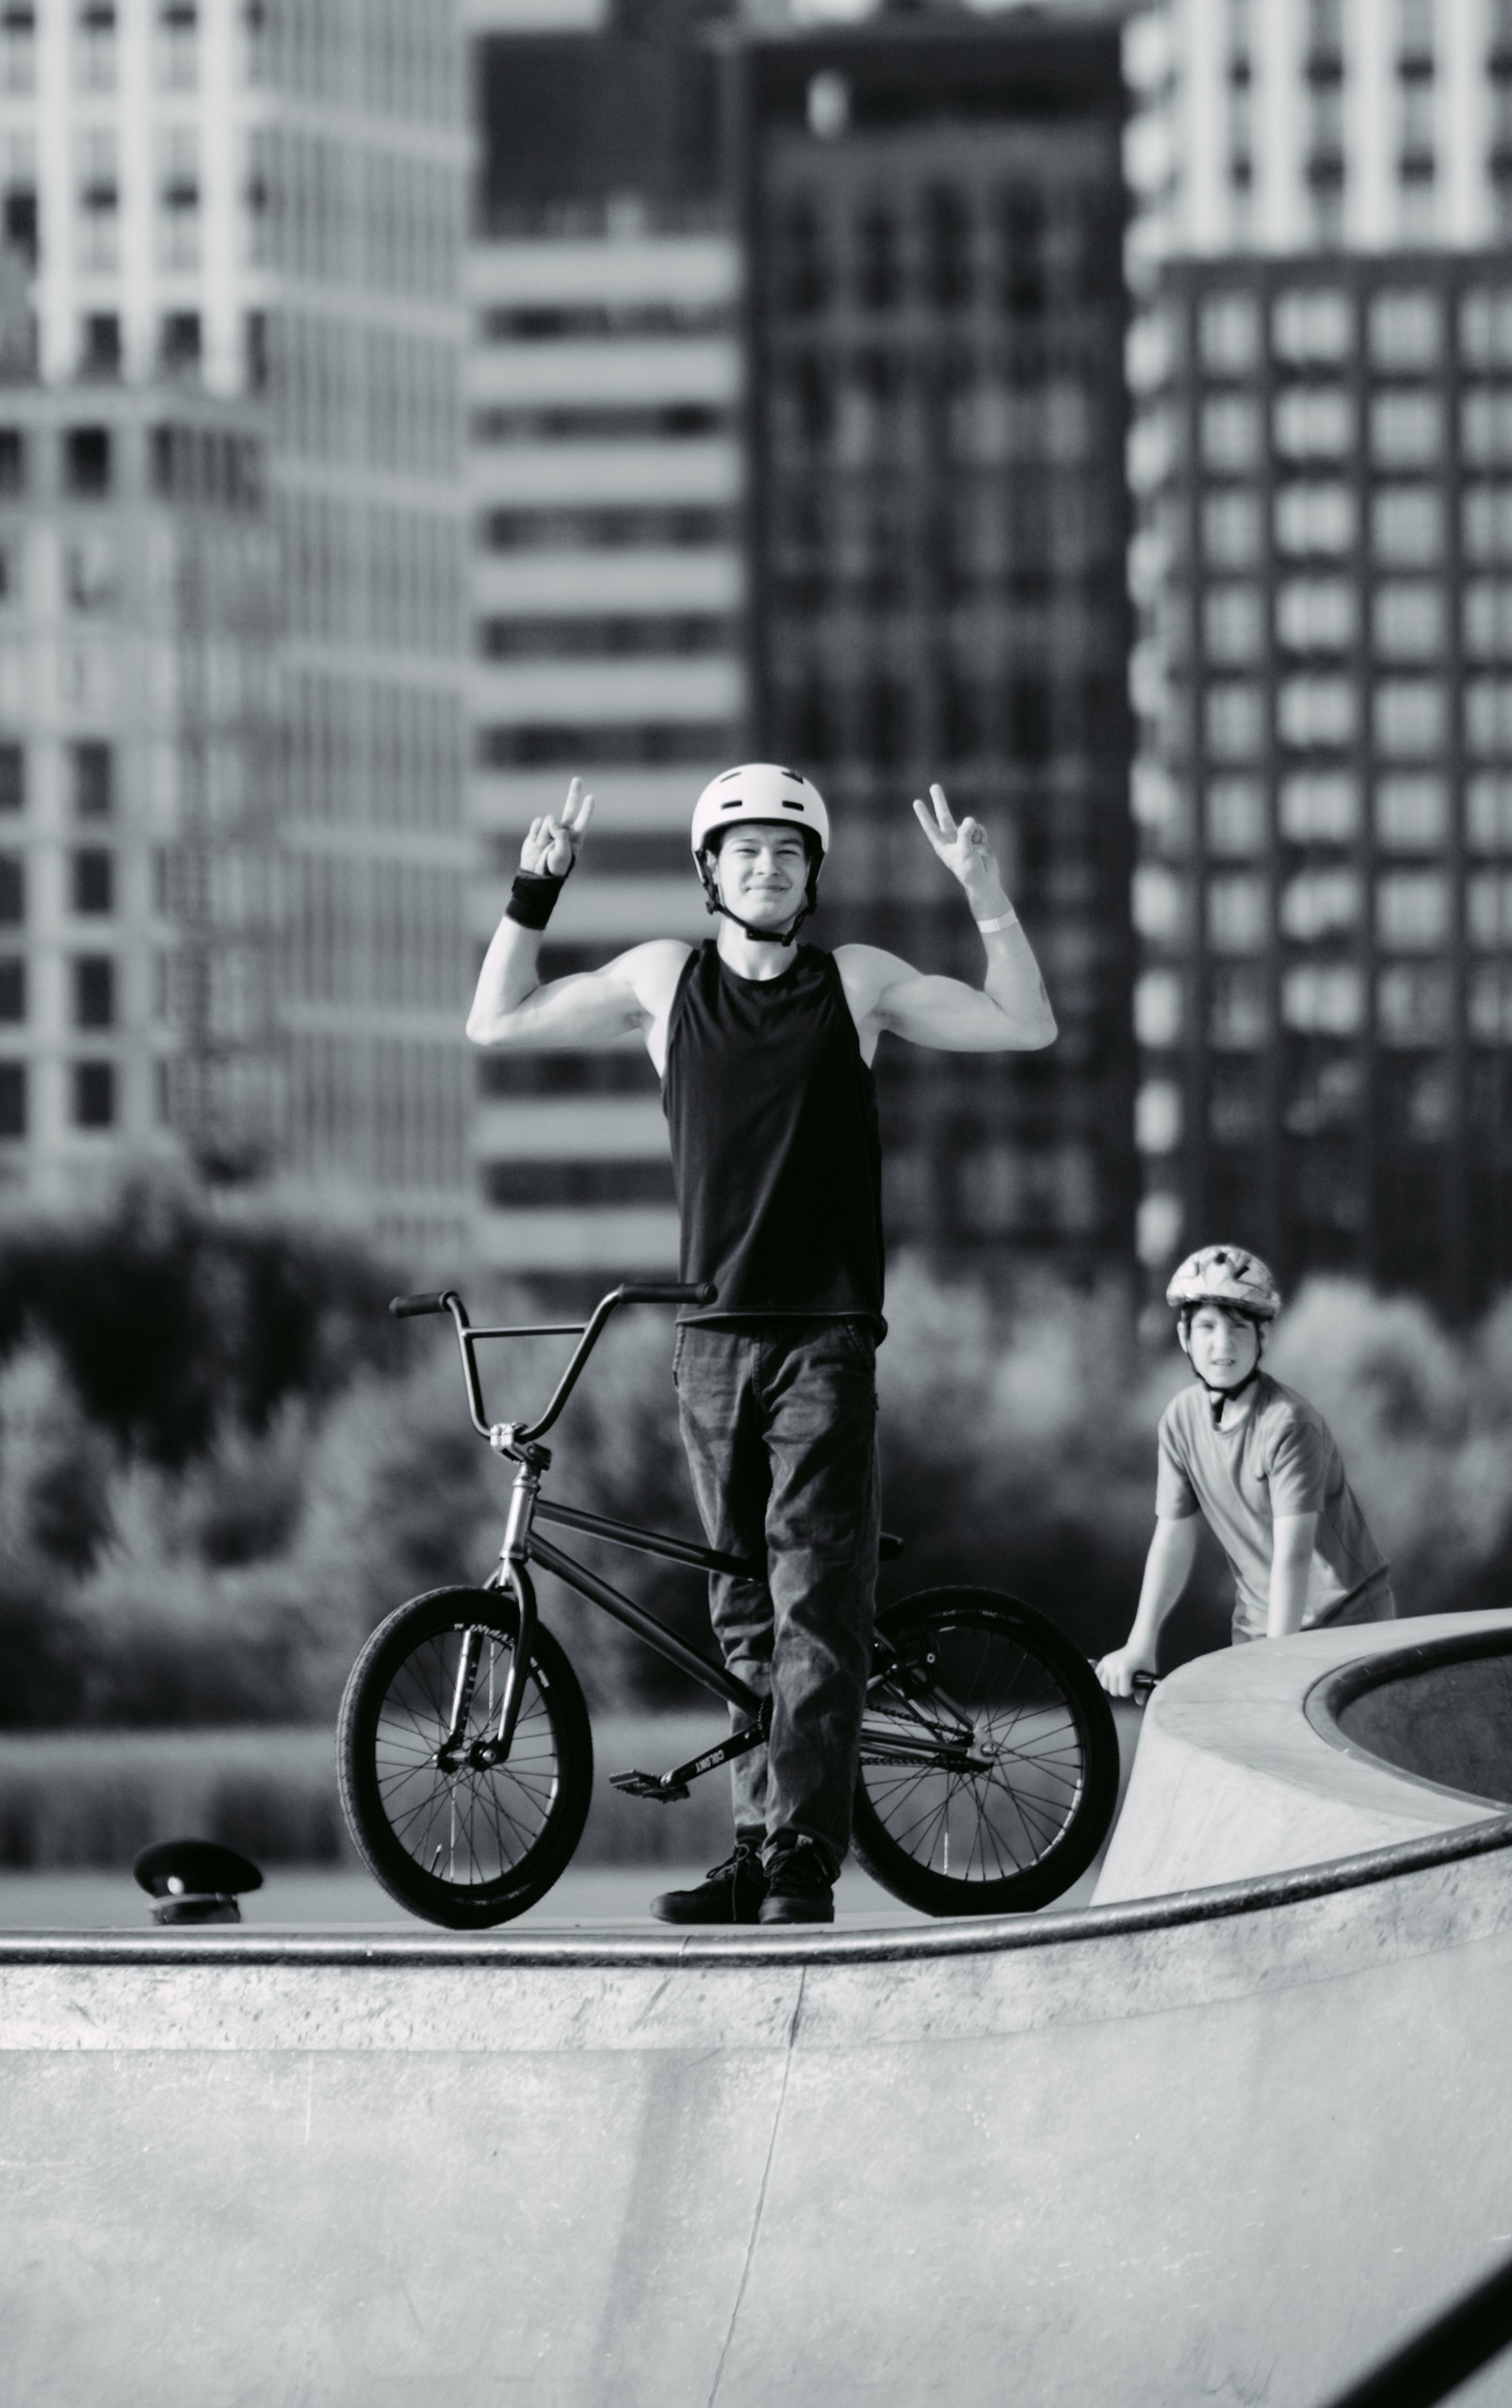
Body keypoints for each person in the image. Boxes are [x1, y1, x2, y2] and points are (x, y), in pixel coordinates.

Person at [466, 766, 1057, 1924]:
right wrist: (534, 892)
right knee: (741, 1615)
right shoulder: (665, 979)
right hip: (710, 1341)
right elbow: (495, 1020)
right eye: (745, 851)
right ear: (709, 871)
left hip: (824, 1338)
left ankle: (802, 1863)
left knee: (812, 1603)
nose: (768, 867)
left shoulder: (856, 984)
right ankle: (755, 1845)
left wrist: (984, 890)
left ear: (813, 876)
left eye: (789, 853)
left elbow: (1025, 1024)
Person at [1094, 1244, 1394, 1701]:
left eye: (1238, 1327)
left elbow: (1293, 1554)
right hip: (1259, 1629)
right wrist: (1141, 1642)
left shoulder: (1289, 1424)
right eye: (1207, 1326)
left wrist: (1276, 1660)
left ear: (1262, 1337)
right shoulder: (1179, 1420)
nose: (1223, 1343)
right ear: (1184, 1336)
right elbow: (1173, 1537)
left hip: (1346, 1626)